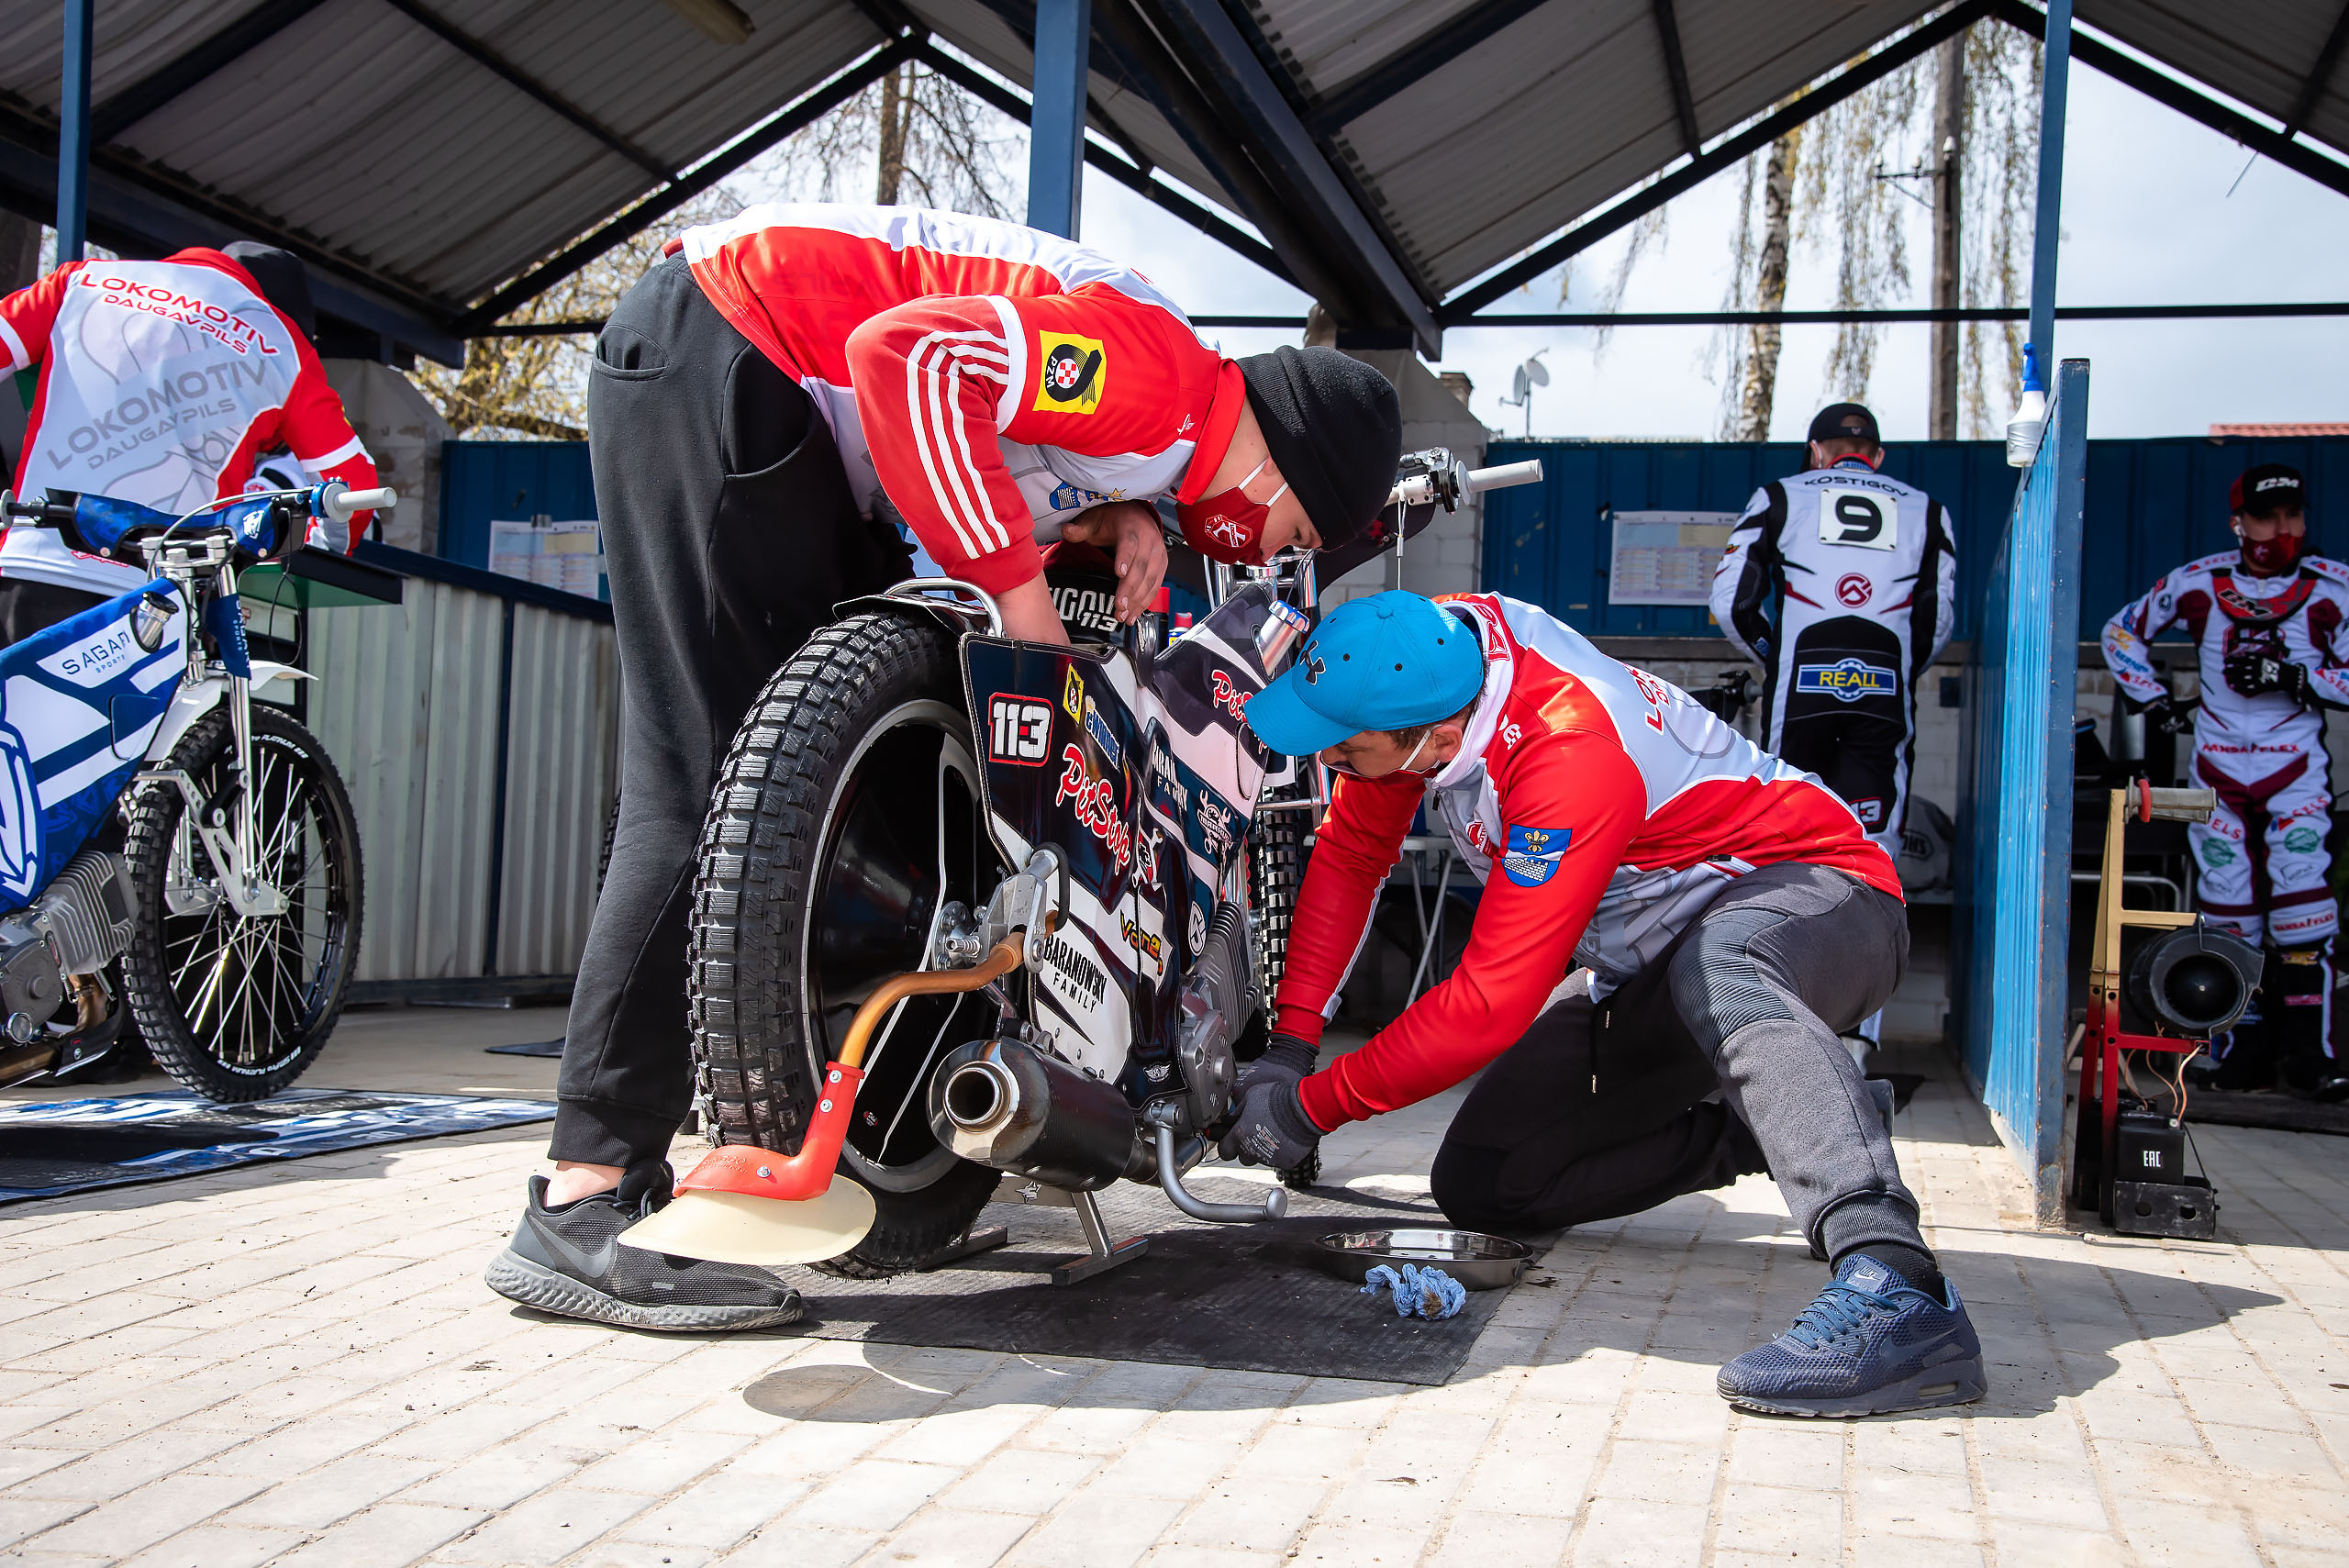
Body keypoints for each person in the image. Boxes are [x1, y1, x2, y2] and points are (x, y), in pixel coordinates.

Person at [489, 203, 1402, 1330]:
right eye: (1299, 533)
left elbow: (982, 429)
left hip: (767, 379)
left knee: (826, 779)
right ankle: (587, 1191)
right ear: (1279, 459)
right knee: (716, 783)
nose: (1271, 555)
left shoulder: (1153, 432)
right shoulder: (1162, 375)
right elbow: (906, 357)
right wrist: (1025, 597)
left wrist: (1097, 511)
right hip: (731, 344)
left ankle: (842, 1145)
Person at [1226, 589, 1986, 1417]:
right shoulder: (1425, 652)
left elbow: (1488, 1003)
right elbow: (1350, 854)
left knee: (1721, 962)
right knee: (1486, 1180)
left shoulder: (1569, 749)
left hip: (1827, 898)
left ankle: (1896, 1283)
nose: (1329, 761)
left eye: (1343, 752)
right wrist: (1291, 1046)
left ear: (1436, 739)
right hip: (1657, 972)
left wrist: (1310, 1107)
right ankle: (1777, 1117)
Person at [2101, 463, 2349, 1101]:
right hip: (2215, 772)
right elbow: (2120, 631)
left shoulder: (2333, 587)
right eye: (2269, 517)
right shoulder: (2197, 582)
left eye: (2294, 515)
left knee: (2302, 914)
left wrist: (2298, 679)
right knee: (2228, 915)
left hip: (2295, 773)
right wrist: (2156, 701)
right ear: (2238, 522)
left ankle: (2311, 1060)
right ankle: (2236, 1054)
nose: (2284, 529)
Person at [0, 241, 379, 641]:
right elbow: (354, 489)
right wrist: (320, 551)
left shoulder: (80, 280)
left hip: (30, 559)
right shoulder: (283, 344)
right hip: (159, 601)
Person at [1709, 402, 1955, 862]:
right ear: (1876, 457)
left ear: (1817, 452)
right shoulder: (1928, 510)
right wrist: (1897, 667)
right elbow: (1936, 618)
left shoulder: (1780, 495)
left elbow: (1730, 603)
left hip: (1801, 681)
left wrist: (1777, 657)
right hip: (1884, 682)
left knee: (1786, 826)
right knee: (1874, 836)